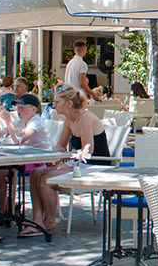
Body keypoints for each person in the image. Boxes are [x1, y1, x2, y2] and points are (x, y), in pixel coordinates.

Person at [28, 88, 108, 233]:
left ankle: (49, 221)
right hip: (79, 163)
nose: (54, 104)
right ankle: (37, 220)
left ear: (69, 103)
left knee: (45, 178)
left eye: (57, 102)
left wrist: (62, 158)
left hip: (94, 165)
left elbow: (88, 150)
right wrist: (51, 157)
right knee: (35, 173)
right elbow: (60, 145)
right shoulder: (69, 120)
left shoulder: (84, 117)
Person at [0, 93, 53, 223]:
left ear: (33, 109)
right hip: (24, 159)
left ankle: (4, 209)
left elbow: (18, 141)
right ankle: (4, 208)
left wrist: (8, 120)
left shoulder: (36, 122)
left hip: (38, 161)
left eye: (22, 107)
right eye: (18, 107)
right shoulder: (20, 121)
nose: (19, 111)